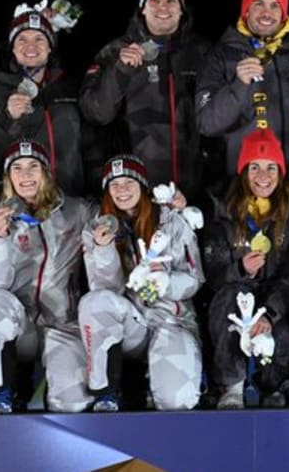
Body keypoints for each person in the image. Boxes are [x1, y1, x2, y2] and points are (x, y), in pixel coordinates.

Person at [0, 140, 96, 413]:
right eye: (17, 168)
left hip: (62, 323)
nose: (26, 175)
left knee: (72, 404)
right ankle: (2, 391)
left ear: (46, 173)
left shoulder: (77, 211)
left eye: (33, 167)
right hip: (21, 328)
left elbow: (113, 226)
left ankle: (58, 383)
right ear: (8, 178)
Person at [78, 154, 205, 411]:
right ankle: (106, 393)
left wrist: (164, 282)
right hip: (131, 324)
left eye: (129, 182)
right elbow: (105, 293)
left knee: (176, 400)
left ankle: (173, 378)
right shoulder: (96, 228)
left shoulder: (172, 221)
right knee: (93, 303)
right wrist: (104, 250)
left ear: (143, 186)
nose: (121, 190)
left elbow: (194, 279)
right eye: (114, 184)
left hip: (171, 320)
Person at [201, 129, 289, 408]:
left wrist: (270, 316)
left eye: (271, 167)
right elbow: (213, 276)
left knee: (285, 339)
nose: (264, 176)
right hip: (236, 302)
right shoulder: (222, 209)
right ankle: (232, 387)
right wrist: (239, 269)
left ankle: (273, 384)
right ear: (243, 172)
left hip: (275, 300)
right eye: (255, 167)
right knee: (228, 296)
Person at [80, 0, 213, 196]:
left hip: (195, 190)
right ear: (142, 8)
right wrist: (120, 70)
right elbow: (95, 113)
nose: (163, 7)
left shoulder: (203, 52)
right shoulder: (115, 51)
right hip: (136, 192)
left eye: (171, 1)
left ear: (181, 9)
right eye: (154, 0)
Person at [196, 0, 289, 189]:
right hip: (242, 184)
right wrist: (238, 85)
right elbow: (207, 124)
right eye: (259, 4)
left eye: (275, 5)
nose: (267, 12)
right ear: (246, 10)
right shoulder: (220, 56)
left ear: (284, 14)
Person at [0, 9, 94, 197]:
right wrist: (7, 117)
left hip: (69, 202)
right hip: (19, 209)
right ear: (12, 48)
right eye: (22, 39)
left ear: (50, 47)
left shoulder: (70, 88)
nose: (31, 46)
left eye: (39, 39)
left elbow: (91, 147)